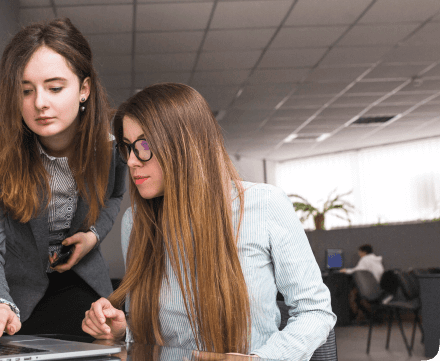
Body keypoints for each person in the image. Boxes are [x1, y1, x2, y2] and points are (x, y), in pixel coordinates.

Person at [81, 83, 336, 360]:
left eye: (144, 145)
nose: (131, 161)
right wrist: (123, 331)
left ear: (185, 145)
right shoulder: (135, 222)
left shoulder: (264, 204)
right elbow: (155, 333)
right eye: (127, 147)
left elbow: (315, 311)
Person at [0, 18, 127, 344]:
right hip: (16, 296)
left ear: (84, 89)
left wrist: (94, 236)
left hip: (84, 288)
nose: (39, 103)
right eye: (26, 91)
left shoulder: (111, 149)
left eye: (54, 88)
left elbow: (114, 197)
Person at [339, 244, 385, 322]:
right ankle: (368, 316)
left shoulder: (365, 259)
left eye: (359, 252)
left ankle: (356, 317)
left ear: (364, 252)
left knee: (353, 294)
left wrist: (345, 270)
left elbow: (357, 271)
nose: (359, 254)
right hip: (378, 287)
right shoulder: (376, 260)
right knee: (355, 293)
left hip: (370, 289)